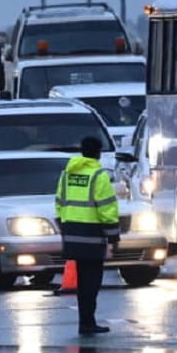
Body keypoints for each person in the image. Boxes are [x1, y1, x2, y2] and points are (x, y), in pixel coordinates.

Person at [54, 135, 121, 335]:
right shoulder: (99, 175)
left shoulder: (68, 173)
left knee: (83, 280)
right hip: (92, 235)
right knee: (92, 282)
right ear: (98, 153)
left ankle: (85, 321)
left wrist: (64, 226)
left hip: (72, 233)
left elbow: (59, 201)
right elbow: (107, 209)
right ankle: (88, 323)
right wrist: (113, 237)